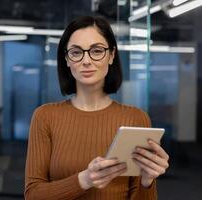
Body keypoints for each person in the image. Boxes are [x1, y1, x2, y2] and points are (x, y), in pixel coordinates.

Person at [25, 16, 169, 200]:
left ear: (111, 55)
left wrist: (147, 181)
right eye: (77, 52)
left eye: (97, 51)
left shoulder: (136, 119)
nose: (86, 60)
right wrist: (84, 179)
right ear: (67, 60)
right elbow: (33, 195)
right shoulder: (45, 117)